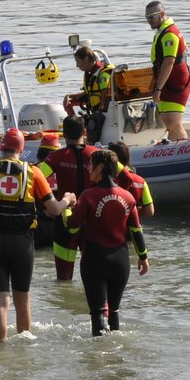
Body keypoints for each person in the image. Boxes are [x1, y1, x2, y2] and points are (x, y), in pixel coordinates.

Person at [0, 127, 74, 341]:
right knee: (22, 299)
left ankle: (0, 349)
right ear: (22, 149)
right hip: (22, 243)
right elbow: (53, 209)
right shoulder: (33, 172)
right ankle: (24, 348)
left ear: (2, 147)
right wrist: (68, 199)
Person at [67, 149, 149, 336]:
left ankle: (99, 359)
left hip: (94, 259)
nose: (88, 168)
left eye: (91, 164)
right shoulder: (128, 197)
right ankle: (115, 359)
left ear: (101, 167)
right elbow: (136, 229)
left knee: (98, 313)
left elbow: (72, 228)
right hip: (120, 261)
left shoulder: (87, 196)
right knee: (114, 311)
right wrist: (143, 257)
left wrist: (68, 208)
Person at [43, 115, 100, 281]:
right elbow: (126, 176)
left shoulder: (55, 157)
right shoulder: (98, 155)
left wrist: (46, 205)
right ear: (84, 131)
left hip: (65, 221)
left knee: (63, 279)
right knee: (93, 278)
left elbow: (35, 180)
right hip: (92, 220)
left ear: (64, 135)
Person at [145, 0, 190, 143]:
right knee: (167, 121)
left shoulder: (169, 34)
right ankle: (174, 149)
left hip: (176, 83)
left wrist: (158, 89)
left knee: (173, 122)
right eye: (147, 18)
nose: (149, 21)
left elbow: (169, 61)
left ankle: (184, 150)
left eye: (152, 17)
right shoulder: (161, 32)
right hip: (165, 82)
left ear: (162, 14)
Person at [66, 44, 114, 142]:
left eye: (78, 62)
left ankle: (85, 138)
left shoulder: (102, 75)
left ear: (86, 59)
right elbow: (90, 91)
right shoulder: (91, 73)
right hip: (95, 107)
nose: (77, 65)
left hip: (104, 112)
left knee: (91, 120)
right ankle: (76, 133)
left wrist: (97, 113)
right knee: (68, 102)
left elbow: (106, 94)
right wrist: (69, 96)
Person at [108, 140, 156, 219]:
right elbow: (150, 211)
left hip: (112, 227)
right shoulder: (141, 181)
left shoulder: (107, 179)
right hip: (133, 228)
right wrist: (130, 212)